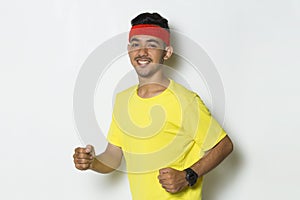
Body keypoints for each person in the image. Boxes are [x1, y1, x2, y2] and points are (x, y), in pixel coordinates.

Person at [73, 12, 233, 200]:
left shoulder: (185, 101)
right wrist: (92, 162)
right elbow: (114, 156)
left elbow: (224, 145)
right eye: (136, 44)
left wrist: (188, 175)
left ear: (167, 52)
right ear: (129, 51)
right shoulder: (123, 100)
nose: (142, 52)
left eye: (152, 44)